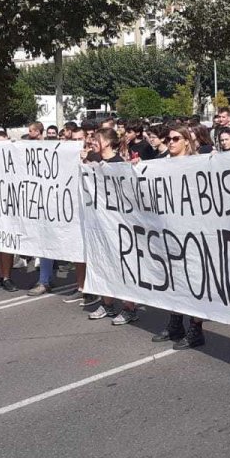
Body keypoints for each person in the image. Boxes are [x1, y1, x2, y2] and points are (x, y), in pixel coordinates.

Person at [151, 125, 206, 350]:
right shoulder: (161, 163)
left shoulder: (198, 163)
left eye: (175, 138)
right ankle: (175, 323)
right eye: (168, 138)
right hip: (169, 231)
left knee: (193, 282)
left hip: (192, 233)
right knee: (174, 281)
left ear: (186, 141)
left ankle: (196, 330)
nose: (170, 142)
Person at [86, 129, 140, 325]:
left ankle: (129, 307)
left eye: (96, 140)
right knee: (104, 264)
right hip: (100, 225)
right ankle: (107, 303)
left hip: (120, 226)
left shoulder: (118, 164)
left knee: (123, 266)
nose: (92, 142)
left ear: (107, 143)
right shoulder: (95, 164)